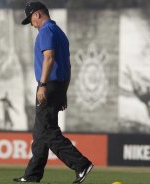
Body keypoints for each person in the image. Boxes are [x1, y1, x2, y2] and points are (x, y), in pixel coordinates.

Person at [13, 2, 93, 184]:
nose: (32, 25)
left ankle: (81, 164)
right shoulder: (60, 32)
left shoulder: (46, 31)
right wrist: (63, 92)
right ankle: (32, 176)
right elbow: (68, 65)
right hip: (58, 85)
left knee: (47, 131)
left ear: (37, 15)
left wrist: (42, 85)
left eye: (31, 20)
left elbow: (48, 57)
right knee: (40, 132)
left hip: (48, 85)